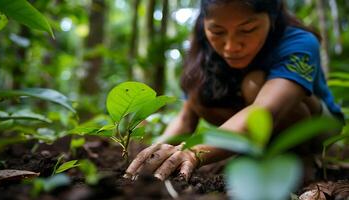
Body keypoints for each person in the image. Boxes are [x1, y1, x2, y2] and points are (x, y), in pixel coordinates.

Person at [124, 0, 344, 181]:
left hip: (314, 125)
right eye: (217, 31)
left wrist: (194, 152)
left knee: (254, 84)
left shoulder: (299, 41)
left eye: (247, 29)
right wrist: (154, 154)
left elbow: (265, 110)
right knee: (198, 90)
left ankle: (298, 160)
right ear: (204, 25)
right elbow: (186, 118)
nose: (231, 47)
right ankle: (249, 153)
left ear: (273, 16)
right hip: (254, 119)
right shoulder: (201, 46)